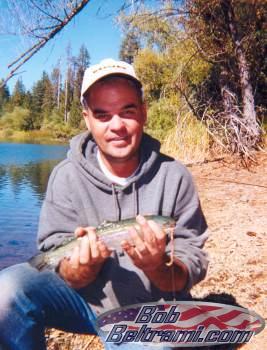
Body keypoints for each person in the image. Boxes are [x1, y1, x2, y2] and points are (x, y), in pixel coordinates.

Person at [0, 58, 208, 350]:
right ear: (87, 118)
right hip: (84, 302)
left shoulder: (175, 177)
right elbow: (53, 251)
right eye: (102, 115)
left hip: (147, 312)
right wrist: (81, 269)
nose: (117, 126)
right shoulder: (65, 176)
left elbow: (192, 263)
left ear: (144, 112)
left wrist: (158, 266)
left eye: (128, 111)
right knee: (4, 292)